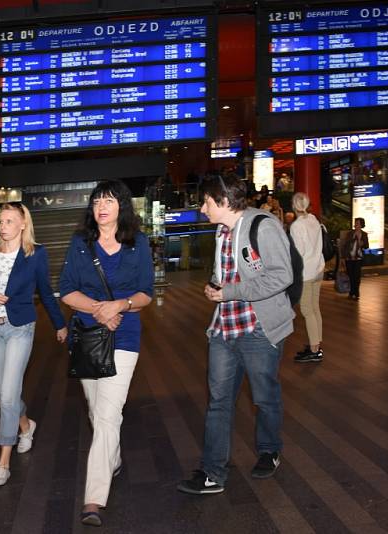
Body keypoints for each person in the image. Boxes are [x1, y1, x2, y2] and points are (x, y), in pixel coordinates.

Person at [177, 173, 294, 495]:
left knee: (264, 396)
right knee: (218, 401)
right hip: (224, 329)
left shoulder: (263, 226)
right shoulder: (221, 232)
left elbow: (282, 276)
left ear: (224, 202)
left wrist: (229, 291)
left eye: (206, 202)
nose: (202, 209)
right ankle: (213, 472)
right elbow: (225, 273)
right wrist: (216, 286)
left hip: (258, 329)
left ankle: (269, 450)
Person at [58, 180, 154, 527]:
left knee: (108, 415)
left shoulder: (138, 243)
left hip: (125, 336)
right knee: (97, 411)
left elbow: (146, 293)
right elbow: (66, 290)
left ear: (122, 207)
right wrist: (101, 309)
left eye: (109, 200)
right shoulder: (79, 244)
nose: (102, 206)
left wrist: (120, 306)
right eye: (97, 200)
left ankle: (94, 499)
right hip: (87, 337)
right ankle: (110, 458)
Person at [0, 202, 68, 487]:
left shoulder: (35, 254)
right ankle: (25, 425)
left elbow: (46, 292)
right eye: (1, 221)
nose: (3, 226)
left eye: (9, 221)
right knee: (5, 397)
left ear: (23, 224)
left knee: (9, 396)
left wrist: (60, 323)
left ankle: (3, 461)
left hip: (20, 328)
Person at [290, 192, 326, 363]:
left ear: (294, 206)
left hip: (306, 272)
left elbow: (298, 253)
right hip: (319, 268)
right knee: (315, 308)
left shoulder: (296, 226)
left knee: (307, 310)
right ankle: (316, 345)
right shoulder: (313, 219)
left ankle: (314, 350)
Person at [341, 217, 369, 300]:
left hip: (358, 258)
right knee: (350, 275)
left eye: (357, 223)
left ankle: (356, 293)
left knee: (357, 276)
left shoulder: (364, 234)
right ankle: (351, 292)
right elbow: (345, 246)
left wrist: (361, 242)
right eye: (355, 223)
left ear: (361, 225)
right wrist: (343, 257)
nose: (356, 224)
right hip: (349, 258)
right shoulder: (350, 233)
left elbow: (367, 246)